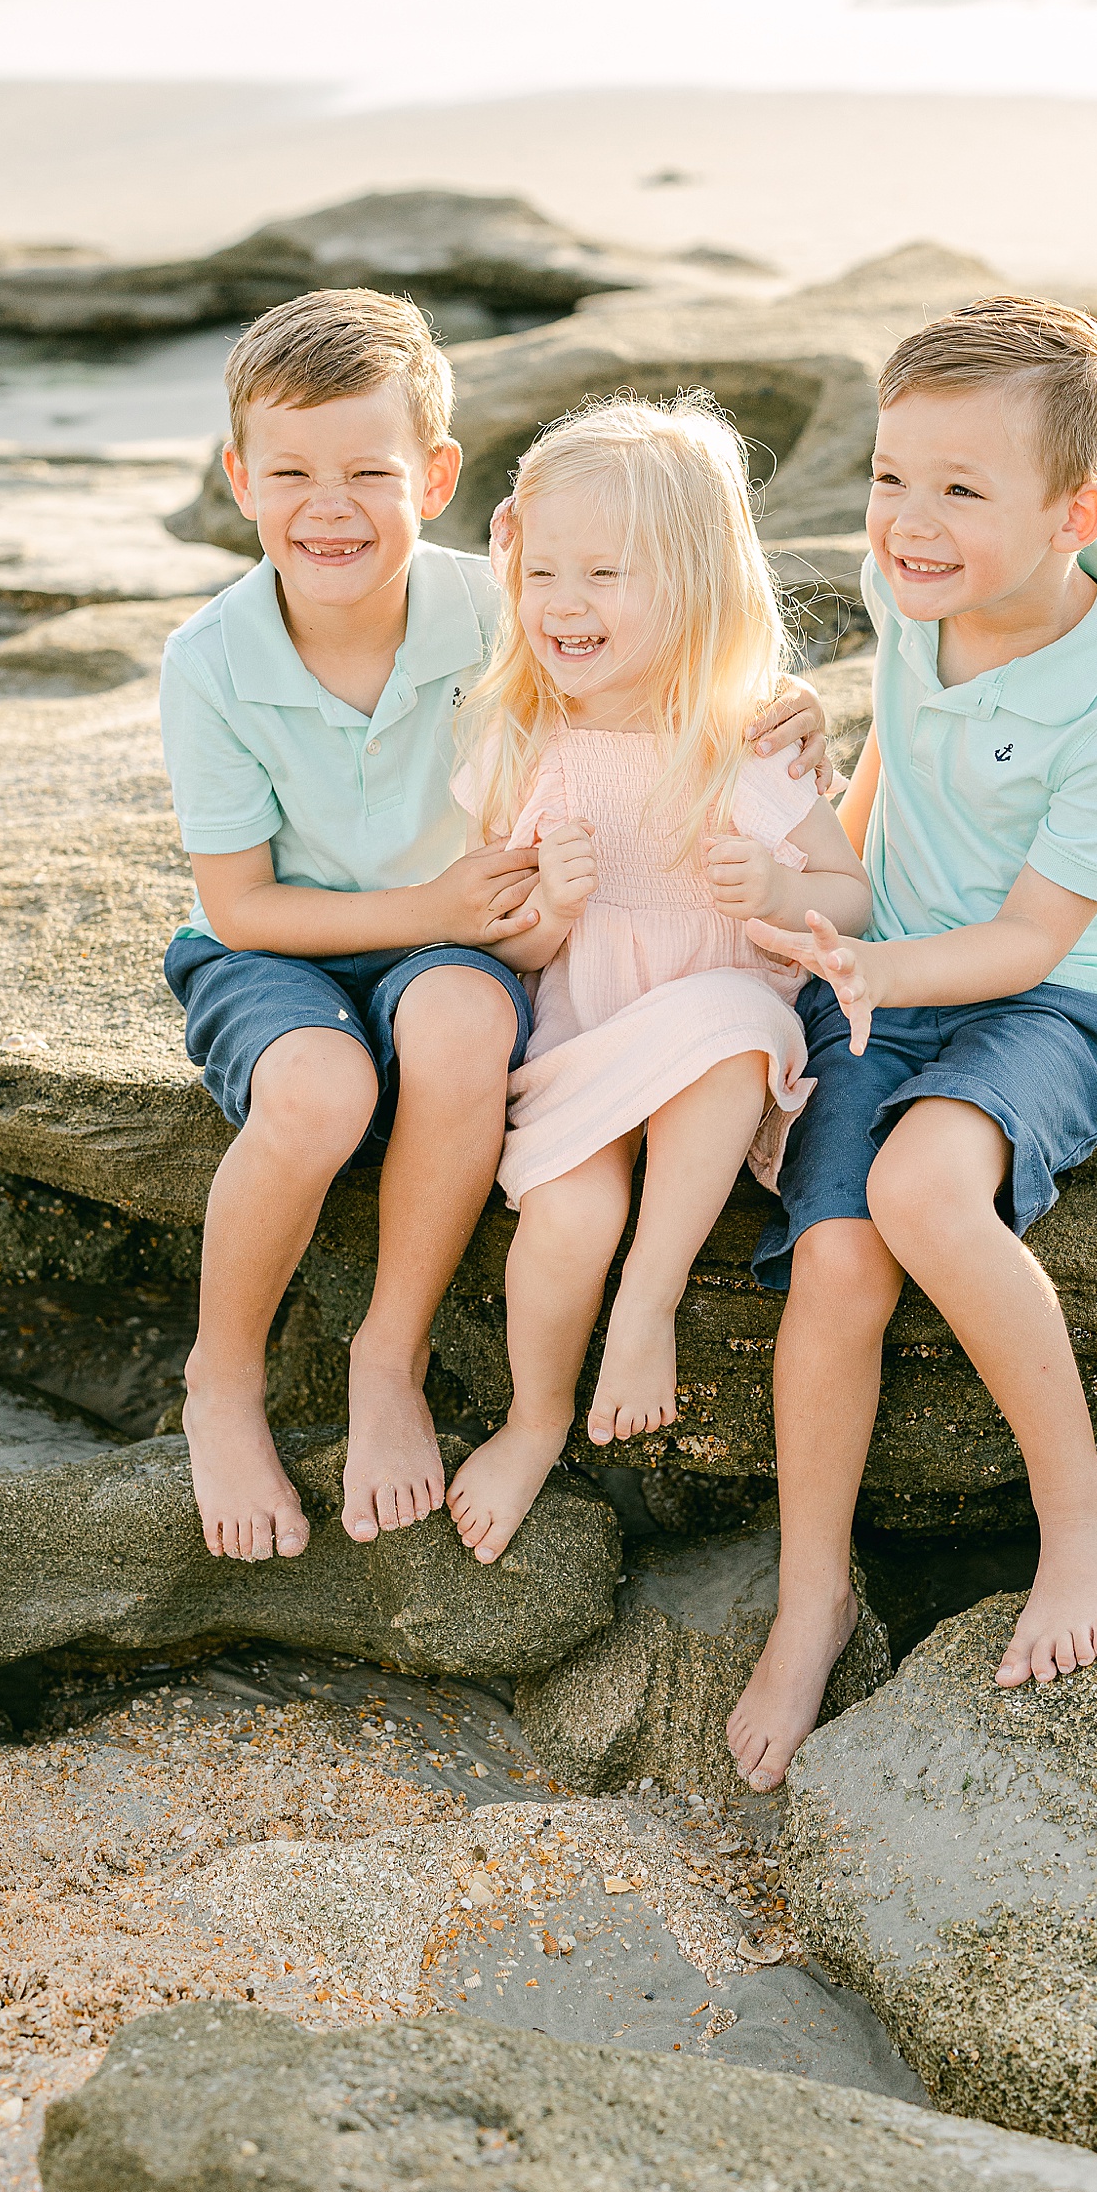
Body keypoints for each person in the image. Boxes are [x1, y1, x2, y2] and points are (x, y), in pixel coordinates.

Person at [157, 292, 830, 1562]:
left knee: (465, 1018)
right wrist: (436, 907)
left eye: (370, 469)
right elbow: (240, 903)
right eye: (291, 471)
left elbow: (664, 643)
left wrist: (784, 702)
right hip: (276, 944)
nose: (330, 505)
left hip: (453, 949)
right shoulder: (211, 660)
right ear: (239, 479)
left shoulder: (500, 603)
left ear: (439, 476)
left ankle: (388, 1353)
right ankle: (222, 1380)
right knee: (315, 1094)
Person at [728, 297, 1097, 1791]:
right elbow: (888, 780)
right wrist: (817, 883)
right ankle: (814, 1596)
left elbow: (1029, 944)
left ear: (1078, 512)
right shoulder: (906, 595)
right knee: (844, 1254)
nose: (909, 525)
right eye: (889, 478)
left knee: (928, 1192)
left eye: (960, 490)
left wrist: (866, 962)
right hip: (884, 965)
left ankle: (1084, 1510)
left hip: (1046, 998)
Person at [442, 395, 871, 1566]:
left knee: (735, 1021)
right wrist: (553, 911)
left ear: (690, 583)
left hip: (708, 1081)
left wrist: (783, 903)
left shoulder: (740, 744)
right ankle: (535, 1419)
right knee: (566, 1216)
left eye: (605, 574)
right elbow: (503, 947)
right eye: (542, 573)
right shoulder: (523, 743)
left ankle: (651, 1298)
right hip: (581, 1045)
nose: (563, 605)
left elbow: (852, 898)